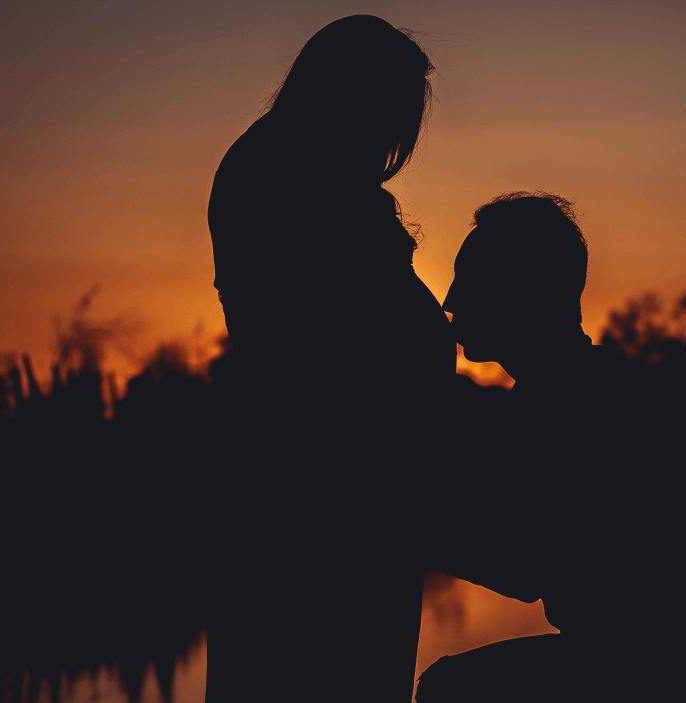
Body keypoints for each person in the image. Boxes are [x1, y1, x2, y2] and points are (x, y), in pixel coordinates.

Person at [420, 192, 686, 702]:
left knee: (451, 690)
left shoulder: (575, 399)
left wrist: (405, 524)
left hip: (676, 667)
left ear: (524, 291)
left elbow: (523, 565)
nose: (451, 300)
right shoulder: (569, 387)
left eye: (470, 279)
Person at [206, 15, 455, 703]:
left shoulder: (302, 171)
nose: (391, 140)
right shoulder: (284, 176)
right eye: (389, 114)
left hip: (352, 496)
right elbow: (321, 348)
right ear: (348, 95)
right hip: (320, 501)